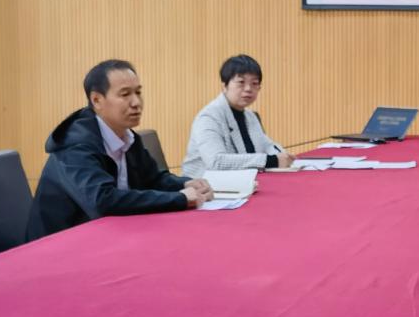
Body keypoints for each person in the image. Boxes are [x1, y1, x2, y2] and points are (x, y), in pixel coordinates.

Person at [26, 60, 213, 241]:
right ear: (97, 100)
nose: (136, 102)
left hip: (107, 233)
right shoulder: (76, 145)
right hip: (59, 243)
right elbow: (102, 201)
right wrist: (179, 199)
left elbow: (153, 179)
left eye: (138, 92)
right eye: (125, 94)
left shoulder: (127, 136)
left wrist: (184, 184)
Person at [182, 55, 294, 176]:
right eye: (241, 82)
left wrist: (283, 155)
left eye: (254, 83)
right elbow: (216, 161)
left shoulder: (250, 116)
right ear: (224, 86)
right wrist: (270, 161)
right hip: (203, 184)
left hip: (242, 181)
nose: (248, 89)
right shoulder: (209, 117)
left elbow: (267, 145)